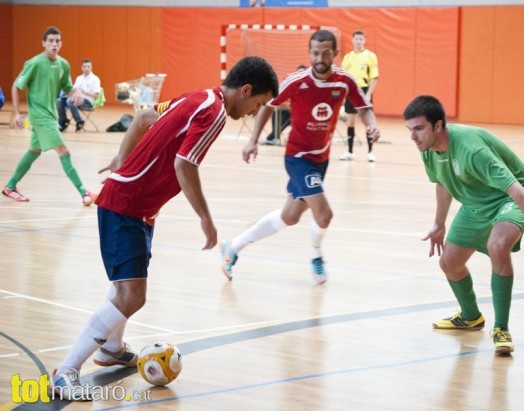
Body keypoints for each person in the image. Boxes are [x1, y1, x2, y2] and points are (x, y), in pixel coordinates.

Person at [49, 56, 279, 401]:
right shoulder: (215, 113)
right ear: (245, 90)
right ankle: (66, 370)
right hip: (125, 205)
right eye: (257, 104)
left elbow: (143, 117)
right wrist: (205, 216)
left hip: (139, 208)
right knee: (132, 295)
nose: (252, 112)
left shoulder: (197, 97)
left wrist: (120, 160)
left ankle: (111, 348)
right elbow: (184, 163)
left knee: (127, 286)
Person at [402, 95, 524, 355]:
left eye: (419, 129)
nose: (414, 137)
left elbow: (518, 191)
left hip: (507, 197)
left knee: (498, 246)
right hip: (476, 203)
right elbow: (442, 183)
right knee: (449, 263)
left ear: (438, 126)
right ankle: (470, 317)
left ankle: (502, 329)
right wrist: (439, 223)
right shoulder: (429, 150)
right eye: (410, 130)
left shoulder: (472, 151)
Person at [220, 29, 380, 284]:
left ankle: (233, 246)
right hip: (297, 157)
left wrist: (371, 124)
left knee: (290, 217)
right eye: (315, 53)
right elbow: (268, 107)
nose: (320, 58)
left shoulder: (345, 81)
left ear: (335, 54)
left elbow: (364, 108)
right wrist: (253, 141)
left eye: (325, 53)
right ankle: (316, 257)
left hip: (321, 159)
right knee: (324, 214)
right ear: (309, 53)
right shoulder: (296, 81)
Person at [2, 26, 96, 206]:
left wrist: (76, 93)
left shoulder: (63, 65)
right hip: (39, 116)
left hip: (51, 115)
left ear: (61, 44)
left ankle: (10, 186)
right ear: (43, 43)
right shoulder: (34, 63)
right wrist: (16, 114)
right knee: (64, 152)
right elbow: (16, 86)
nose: (54, 44)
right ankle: (84, 193)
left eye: (57, 41)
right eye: (50, 41)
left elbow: (68, 89)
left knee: (33, 151)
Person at [339, 29, 380, 162]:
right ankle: (350, 152)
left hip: (363, 90)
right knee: (350, 121)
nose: (358, 41)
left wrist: (368, 95)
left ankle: (370, 152)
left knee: (367, 122)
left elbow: (374, 77)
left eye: (361, 39)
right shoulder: (347, 57)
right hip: (351, 91)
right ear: (352, 40)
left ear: (364, 40)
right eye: (356, 39)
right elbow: (343, 78)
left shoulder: (370, 56)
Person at [259, 64, 307, 146]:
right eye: (298, 72)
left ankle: (272, 137)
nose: (300, 74)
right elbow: (282, 102)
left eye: (302, 72)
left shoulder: (309, 88)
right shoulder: (292, 85)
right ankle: (275, 137)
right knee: (276, 110)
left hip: (303, 116)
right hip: (291, 111)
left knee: (289, 115)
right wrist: (283, 106)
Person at [56, 58, 101, 132]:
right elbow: (74, 90)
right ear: (81, 68)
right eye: (84, 66)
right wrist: (67, 93)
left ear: (91, 68)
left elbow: (96, 95)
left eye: (88, 66)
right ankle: (63, 121)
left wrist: (84, 92)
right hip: (75, 98)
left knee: (70, 101)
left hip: (87, 102)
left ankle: (80, 122)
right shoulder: (79, 78)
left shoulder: (95, 79)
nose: (86, 68)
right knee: (59, 101)